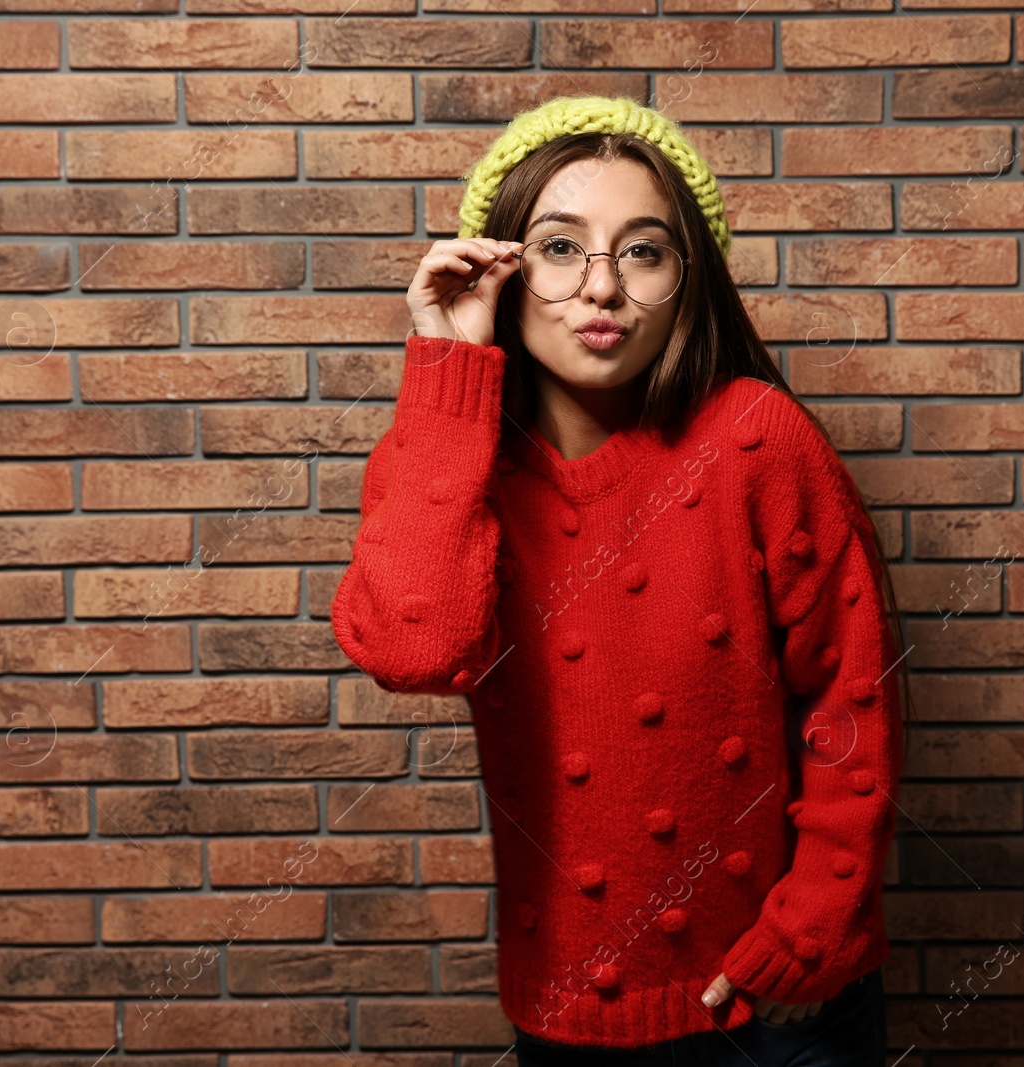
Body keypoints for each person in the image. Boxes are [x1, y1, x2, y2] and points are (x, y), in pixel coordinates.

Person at [329, 94, 912, 1065]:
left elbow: (850, 696)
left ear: (688, 282)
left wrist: (807, 933)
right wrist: (447, 365)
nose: (601, 286)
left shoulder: (755, 441)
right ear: (500, 268)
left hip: (778, 1013)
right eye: (558, 248)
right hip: (571, 1016)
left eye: (642, 251)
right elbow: (414, 648)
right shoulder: (450, 455)